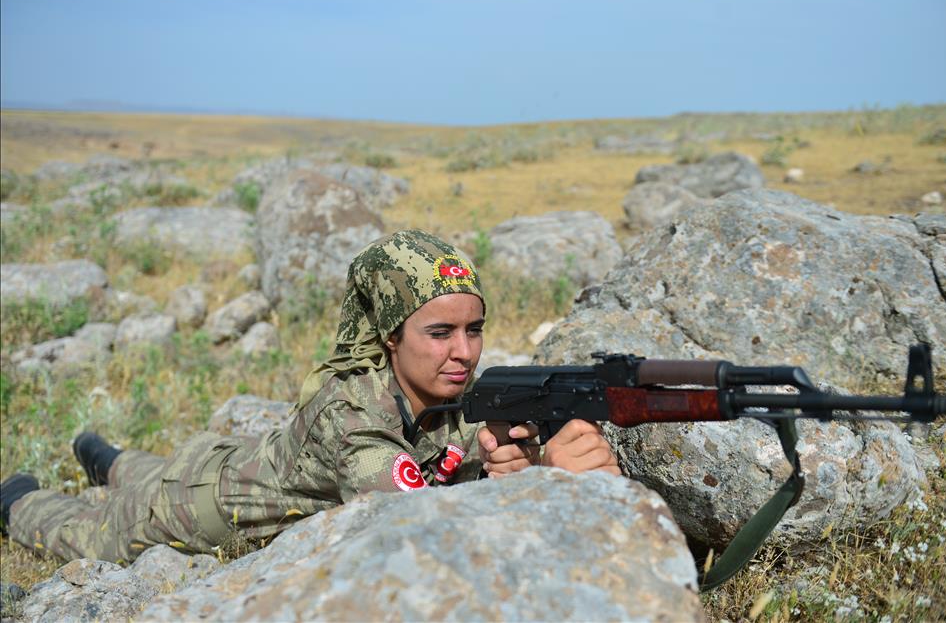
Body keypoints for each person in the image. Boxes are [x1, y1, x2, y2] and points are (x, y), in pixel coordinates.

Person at [0, 229, 619, 564]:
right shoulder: (351, 416)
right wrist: (543, 482)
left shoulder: (451, 389)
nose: (464, 352)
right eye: (440, 333)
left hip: (238, 457)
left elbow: (461, 462)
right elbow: (418, 520)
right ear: (389, 336)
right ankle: (17, 497)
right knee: (85, 531)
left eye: (474, 329)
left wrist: (521, 463)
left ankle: (105, 456)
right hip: (196, 509)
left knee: (144, 471)